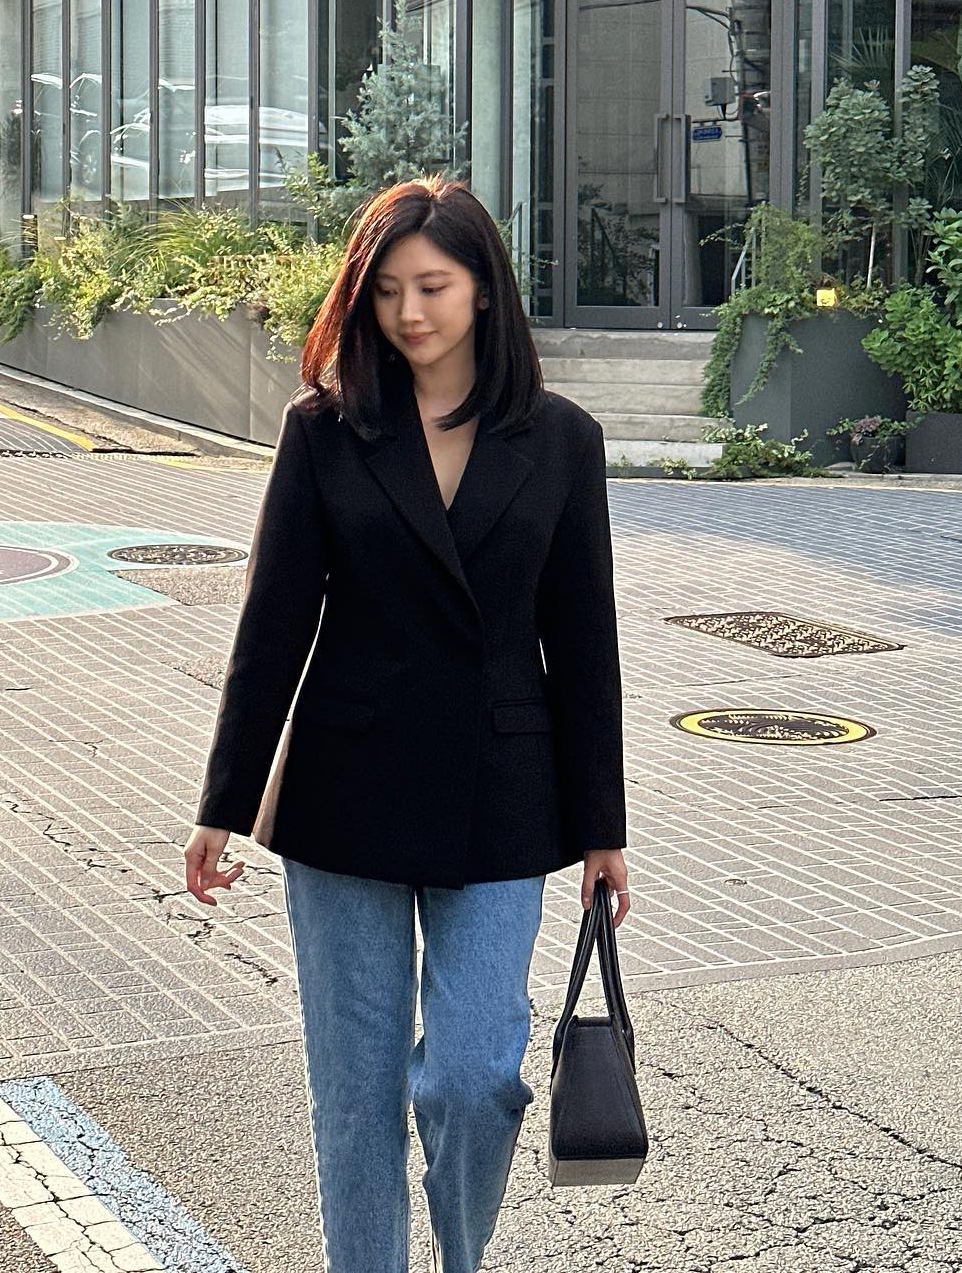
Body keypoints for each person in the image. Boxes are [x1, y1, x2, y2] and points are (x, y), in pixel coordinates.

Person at [184, 176, 630, 1273]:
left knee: (476, 1077)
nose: (408, 311)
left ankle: (459, 1254)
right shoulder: (326, 430)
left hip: (502, 797)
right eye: (385, 290)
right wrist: (222, 803)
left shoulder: (561, 439)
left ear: (484, 289)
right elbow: (273, 623)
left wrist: (603, 827)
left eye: (432, 285)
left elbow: (584, 642)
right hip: (346, 795)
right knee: (354, 1096)